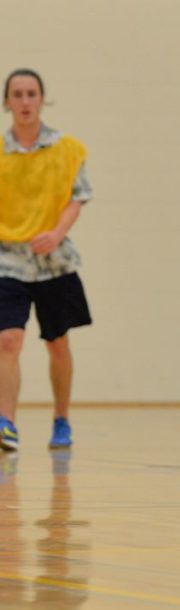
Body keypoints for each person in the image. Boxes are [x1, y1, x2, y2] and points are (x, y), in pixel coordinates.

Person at [0, 69, 93, 451]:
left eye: (31, 94)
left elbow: (79, 196)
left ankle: (61, 420)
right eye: (17, 94)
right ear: (7, 102)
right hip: (8, 260)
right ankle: (6, 423)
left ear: (42, 99)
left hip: (54, 260)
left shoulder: (68, 149)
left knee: (57, 342)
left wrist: (55, 233)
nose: (24, 101)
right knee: (8, 340)